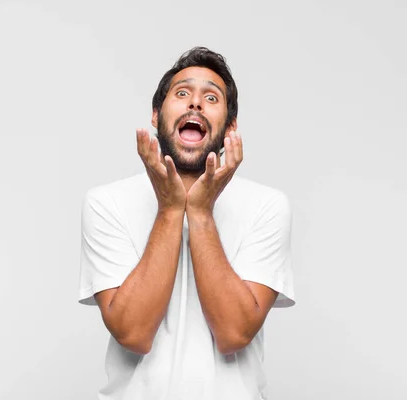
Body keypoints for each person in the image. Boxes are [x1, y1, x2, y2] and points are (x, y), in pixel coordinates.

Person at [78, 46, 295, 400]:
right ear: (155, 114)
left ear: (231, 125)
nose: (195, 103)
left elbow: (234, 333)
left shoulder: (267, 206)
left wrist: (201, 213)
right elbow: (133, 334)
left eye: (211, 97)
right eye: (182, 93)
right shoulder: (106, 203)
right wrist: (169, 210)